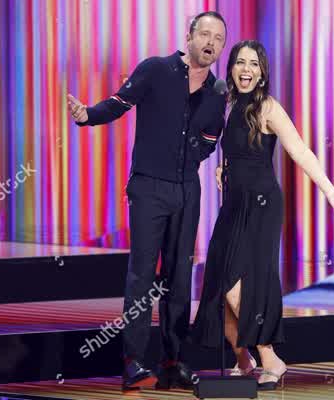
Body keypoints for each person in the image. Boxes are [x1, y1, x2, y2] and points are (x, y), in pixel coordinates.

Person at [67, 11, 227, 391]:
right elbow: (119, 102)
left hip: (187, 191)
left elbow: (210, 139)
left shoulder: (217, 90)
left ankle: (174, 361)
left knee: (179, 276)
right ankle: (134, 362)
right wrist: (87, 115)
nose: (210, 42)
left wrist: (194, 157)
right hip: (148, 188)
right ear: (189, 36)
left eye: (218, 38)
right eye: (205, 34)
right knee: (141, 276)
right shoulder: (156, 69)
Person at [191, 40, 334, 390]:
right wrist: (224, 169)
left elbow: (299, 149)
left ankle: (270, 359)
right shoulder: (230, 104)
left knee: (239, 287)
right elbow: (238, 149)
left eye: (253, 64)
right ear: (232, 68)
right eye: (240, 62)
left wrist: (329, 190)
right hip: (233, 205)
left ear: (262, 73)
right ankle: (243, 360)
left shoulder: (268, 106)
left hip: (261, 206)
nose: (246, 69)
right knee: (218, 286)